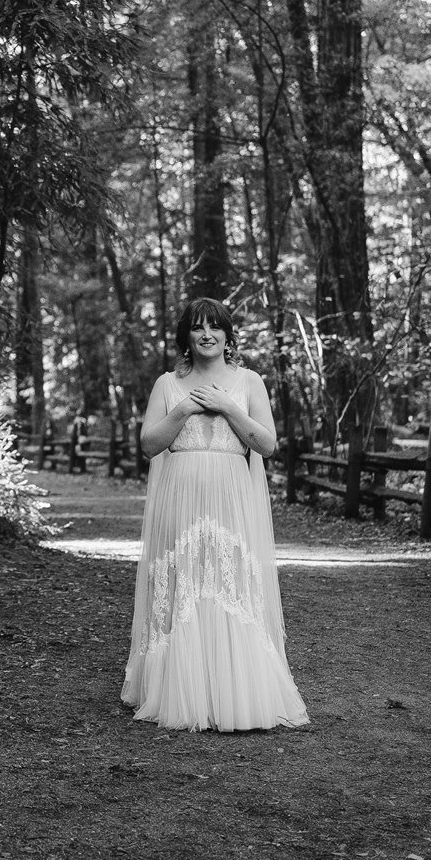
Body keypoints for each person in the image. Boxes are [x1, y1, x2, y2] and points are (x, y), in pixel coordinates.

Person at [121, 298, 308, 732]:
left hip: (232, 498)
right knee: (183, 581)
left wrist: (228, 407)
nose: (207, 334)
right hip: (179, 497)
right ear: (186, 337)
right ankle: (180, 691)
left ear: (227, 336)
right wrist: (183, 408)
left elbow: (267, 445)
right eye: (197, 327)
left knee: (231, 582)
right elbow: (149, 445)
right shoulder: (167, 384)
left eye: (215, 327)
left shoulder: (249, 381)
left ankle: (236, 694)